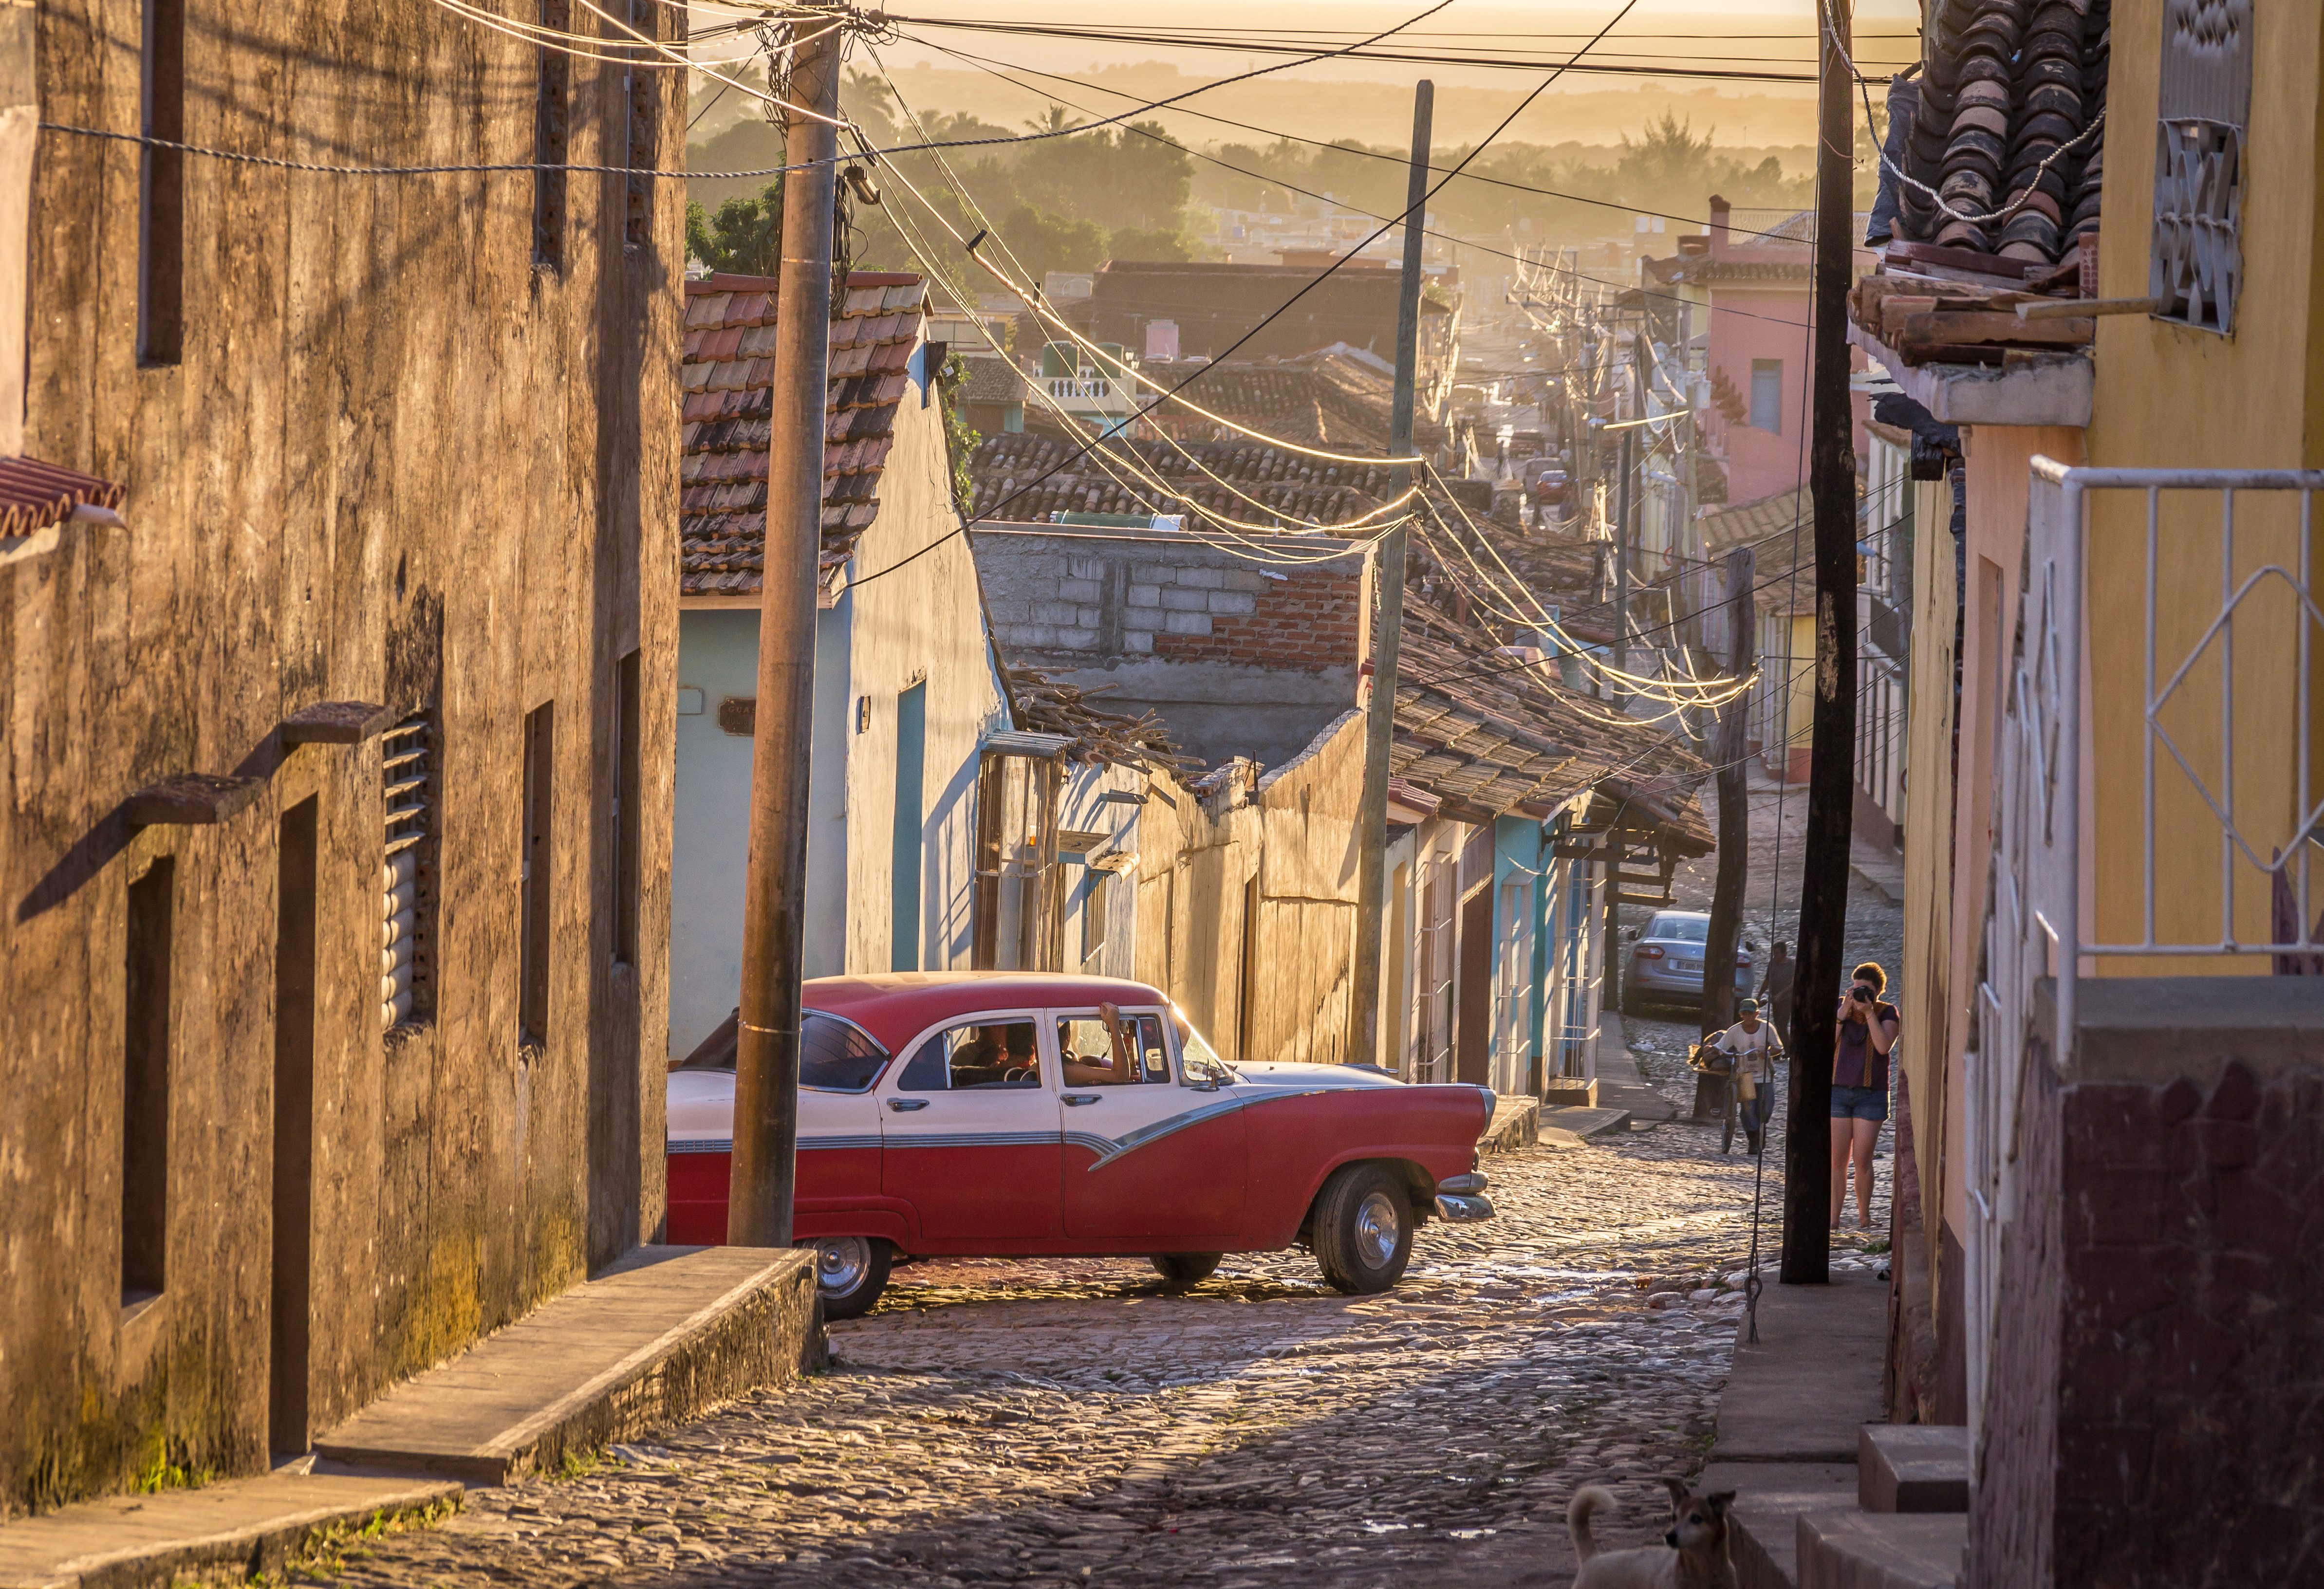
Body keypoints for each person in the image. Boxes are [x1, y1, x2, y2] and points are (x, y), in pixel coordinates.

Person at [1830, 961, 1899, 1233]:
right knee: (1837, 1161)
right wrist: (1842, 1014)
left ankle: (1864, 1216)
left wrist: (1869, 1013)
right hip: (1838, 1092)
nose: (1860, 994)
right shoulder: (1841, 1008)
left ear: (1878, 992)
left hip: (1871, 1095)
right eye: (1856, 988)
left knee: (1862, 1158)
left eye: (1866, 990)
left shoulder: (1887, 1012)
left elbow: (1883, 1047)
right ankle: (1833, 1219)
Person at [1707, 998, 1781, 1155]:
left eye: (1750, 1013)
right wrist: (1710, 1050)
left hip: (1765, 1075)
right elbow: (1721, 1047)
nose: (1748, 1017)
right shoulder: (1734, 1031)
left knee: (1766, 1109)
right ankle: (1753, 1141)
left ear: (1757, 1013)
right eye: (1744, 1013)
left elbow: (1778, 1048)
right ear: (1741, 1014)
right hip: (1745, 1076)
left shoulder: (1767, 1028)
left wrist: (1767, 1053)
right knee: (1748, 1110)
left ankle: (1760, 1131)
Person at [1762, 942, 1796, 1047]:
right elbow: (1767, 980)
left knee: (1782, 1026)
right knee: (1778, 1026)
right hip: (1775, 1001)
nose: (1775, 956)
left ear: (1784, 954)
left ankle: (1786, 1050)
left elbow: (1793, 984)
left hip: (1787, 1000)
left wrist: (1781, 995)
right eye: (1774, 953)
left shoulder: (1791, 965)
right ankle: (1785, 1049)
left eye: (1777, 954)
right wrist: (1760, 995)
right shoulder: (1772, 964)